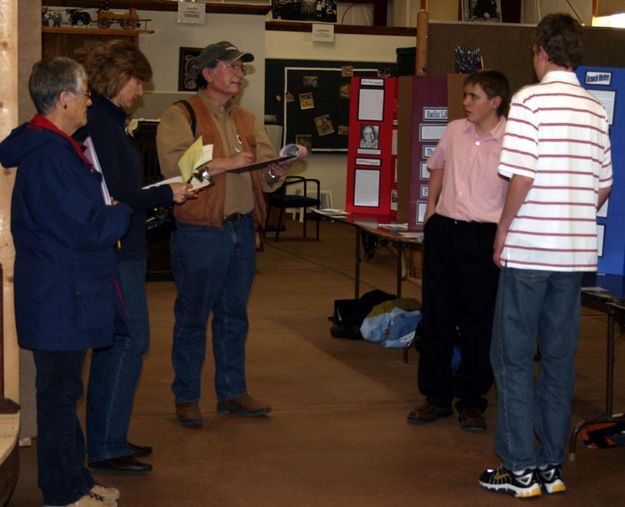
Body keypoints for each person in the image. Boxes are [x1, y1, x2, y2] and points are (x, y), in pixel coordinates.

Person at [479, 13, 613, 498]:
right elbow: (603, 185)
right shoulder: (595, 109)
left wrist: (503, 231)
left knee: (511, 356)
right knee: (558, 359)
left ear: (540, 50)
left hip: (530, 251)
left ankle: (518, 469)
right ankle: (550, 468)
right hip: (574, 257)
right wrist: (571, 216)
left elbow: (521, 177)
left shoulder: (529, 100)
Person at [0, 57, 131, 506]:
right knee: (58, 397)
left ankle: (76, 479)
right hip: (58, 295)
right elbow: (87, 228)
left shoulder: (50, 146)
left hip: (60, 292)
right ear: (63, 100)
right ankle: (62, 493)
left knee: (64, 392)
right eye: (84, 95)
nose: (89, 102)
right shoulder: (51, 154)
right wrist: (125, 209)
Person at [156, 41, 303, 427]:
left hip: (241, 230)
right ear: (208, 73)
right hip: (200, 232)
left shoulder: (247, 120)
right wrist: (226, 164)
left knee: (234, 316)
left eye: (242, 68)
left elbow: (266, 181)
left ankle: (232, 392)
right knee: (192, 317)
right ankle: (186, 397)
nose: (240, 73)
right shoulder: (180, 116)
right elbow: (181, 176)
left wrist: (279, 168)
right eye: (231, 67)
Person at [75, 40, 196, 474]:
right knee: (128, 343)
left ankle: (111, 437)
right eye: (137, 81)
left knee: (123, 343)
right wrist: (169, 191)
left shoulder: (105, 123)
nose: (140, 91)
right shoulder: (103, 127)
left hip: (125, 248)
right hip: (118, 251)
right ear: (117, 79)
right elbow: (120, 194)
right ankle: (106, 446)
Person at [407, 70, 510, 432]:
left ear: (495, 102)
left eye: (473, 96)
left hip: (484, 237)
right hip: (445, 232)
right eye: (465, 96)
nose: (465, 102)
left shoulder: (512, 138)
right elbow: (437, 167)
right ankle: (435, 397)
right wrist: (430, 211)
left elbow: (517, 189)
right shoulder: (453, 131)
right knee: (436, 317)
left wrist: (503, 232)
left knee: (477, 324)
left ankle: (471, 401)